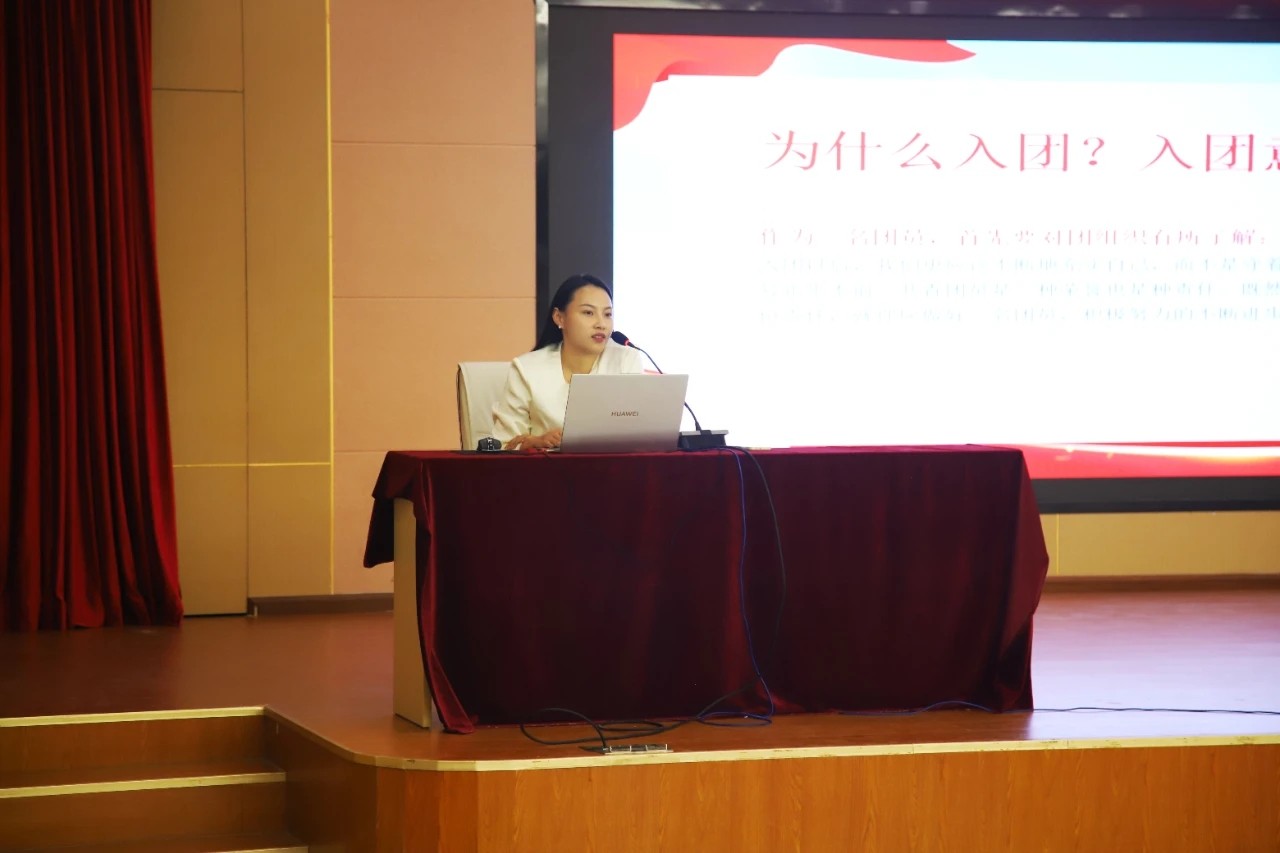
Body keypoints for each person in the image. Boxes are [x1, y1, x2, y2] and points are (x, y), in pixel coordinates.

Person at [491, 274, 647, 450]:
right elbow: (502, 445)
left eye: (607, 314)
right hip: (547, 466)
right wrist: (536, 442)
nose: (601, 324)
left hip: (613, 465)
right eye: (588, 313)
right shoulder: (527, 369)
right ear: (559, 317)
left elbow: (638, 433)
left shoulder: (626, 360)